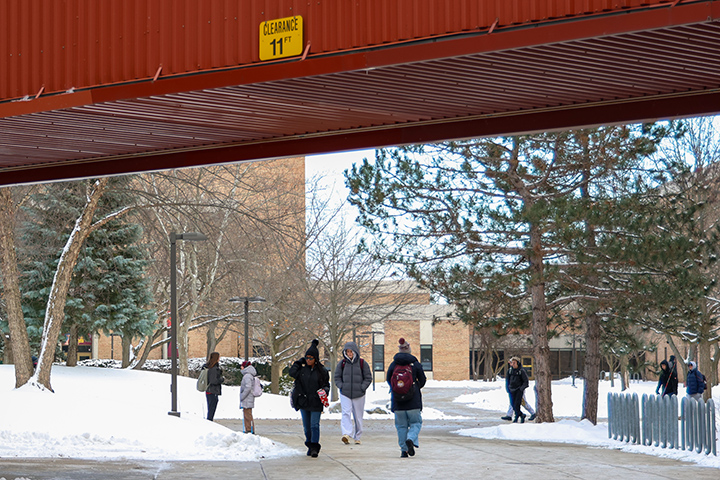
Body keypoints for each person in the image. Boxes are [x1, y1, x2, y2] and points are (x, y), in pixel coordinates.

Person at [289, 339, 330, 458]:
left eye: (311, 358)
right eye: (306, 358)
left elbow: (326, 385)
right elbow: (292, 373)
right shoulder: (302, 370)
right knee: (307, 427)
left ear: (316, 359)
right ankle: (310, 444)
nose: (308, 360)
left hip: (316, 402)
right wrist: (298, 362)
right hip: (304, 401)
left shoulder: (322, 371)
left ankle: (314, 446)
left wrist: (325, 391)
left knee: (314, 425)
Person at [387, 337, 426, 458]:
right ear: (409, 349)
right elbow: (423, 380)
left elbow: (389, 379)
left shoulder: (394, 364)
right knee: (416, 423)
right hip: (413, 401)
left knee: (401, 426)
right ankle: (411, 439)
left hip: (398, 402)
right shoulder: (415, 363)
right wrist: (415, 387)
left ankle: (404, 451)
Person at [334, 341, 372, 445]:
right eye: (347, 351)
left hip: (359, 394)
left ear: (355, 352)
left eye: (351, 351)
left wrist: (362, 387)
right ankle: (346, 434)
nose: (349, 353)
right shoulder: (342, 364)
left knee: (358, 416)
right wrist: (341, 386)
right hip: (345, 393)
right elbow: (337, 377)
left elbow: (368, 377)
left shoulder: (362, 363)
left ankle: (357, 436)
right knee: (346, 413)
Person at [507, 356, 529, 423]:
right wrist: (508, 388)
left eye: (514, 363)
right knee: (513, 404)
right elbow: (507, 380)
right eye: (512, 363)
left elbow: (526, 381)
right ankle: (521, 415)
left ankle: (516, 417)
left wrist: (521, 389)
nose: (513, 364)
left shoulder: (521, 371)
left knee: (517, 404)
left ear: (518, 363)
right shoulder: (510, 371)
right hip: (511, 390)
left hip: (518, 390)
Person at [203, 352, 224, 421]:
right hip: (213, 390)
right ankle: (209, 421)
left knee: (210, 407)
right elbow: (213, 380)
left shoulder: (208, 367)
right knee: (212, 408)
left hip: (209, 390)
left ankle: (209, 420)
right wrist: (221, 379)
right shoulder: (214, 369)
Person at [239, 360, 258, 434]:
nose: (241, 367)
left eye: (242, 366)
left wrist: (242, 396)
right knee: (247, 414)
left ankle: (249, 430)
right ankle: (249, 429)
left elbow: (248, 387)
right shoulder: (249, 375)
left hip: (247, 398)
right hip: (248, 398)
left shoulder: (247, 376)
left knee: (247, 415)